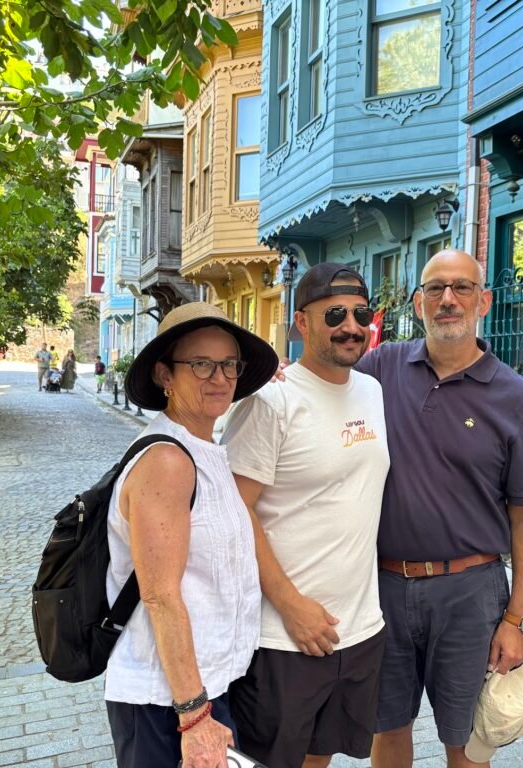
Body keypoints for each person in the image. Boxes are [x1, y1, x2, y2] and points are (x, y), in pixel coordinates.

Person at [355, 249, 523, 768]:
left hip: (470, 594)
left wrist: (517, 620)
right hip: (382, 587)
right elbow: (324, 387)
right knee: (387, 728)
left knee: (467, 742)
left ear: (483, 301)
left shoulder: (517, 398)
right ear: (418, 302)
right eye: (435, 288)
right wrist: (280, 379)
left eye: (462, 287)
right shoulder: (380, 368)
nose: (448, 299)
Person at [222, 263, 390, 768]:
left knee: (321, 758)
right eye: (334, 314)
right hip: (282, 637)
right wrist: (290, 604)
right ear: (302, 322)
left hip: (358, 630)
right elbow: (234, 510)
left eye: (361, 314)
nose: (351, 326)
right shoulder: (271, 400)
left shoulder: (372, 391)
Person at [105, 302, 279, 768]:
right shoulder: (167, 460)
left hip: (205, 688)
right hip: (167, 702)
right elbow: (160, 595)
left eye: (229, 364)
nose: (219, 378)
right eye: (201, 364)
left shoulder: (203, 448)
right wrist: (195, 716)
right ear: (165, 375)